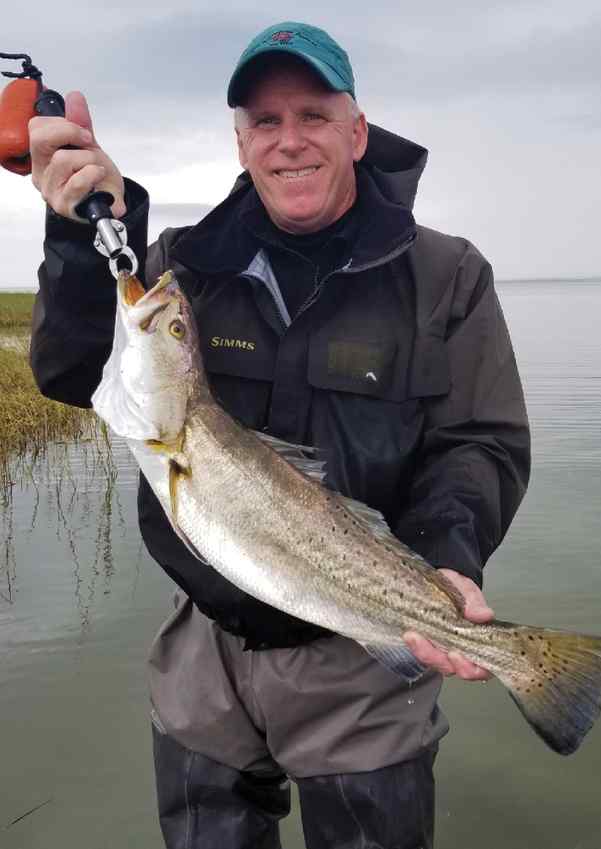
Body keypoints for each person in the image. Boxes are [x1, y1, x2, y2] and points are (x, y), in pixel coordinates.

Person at [28, 21, 530, 849]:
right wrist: (88, 231)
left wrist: (450, 553)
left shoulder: (448, 277)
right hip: (204, 649)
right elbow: (71, 370)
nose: (288, 141)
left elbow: (479, 442)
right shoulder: (180, 268)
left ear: (357, 131)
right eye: (264, 122)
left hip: (364, 642)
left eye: (312, 115)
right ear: (239, 142)